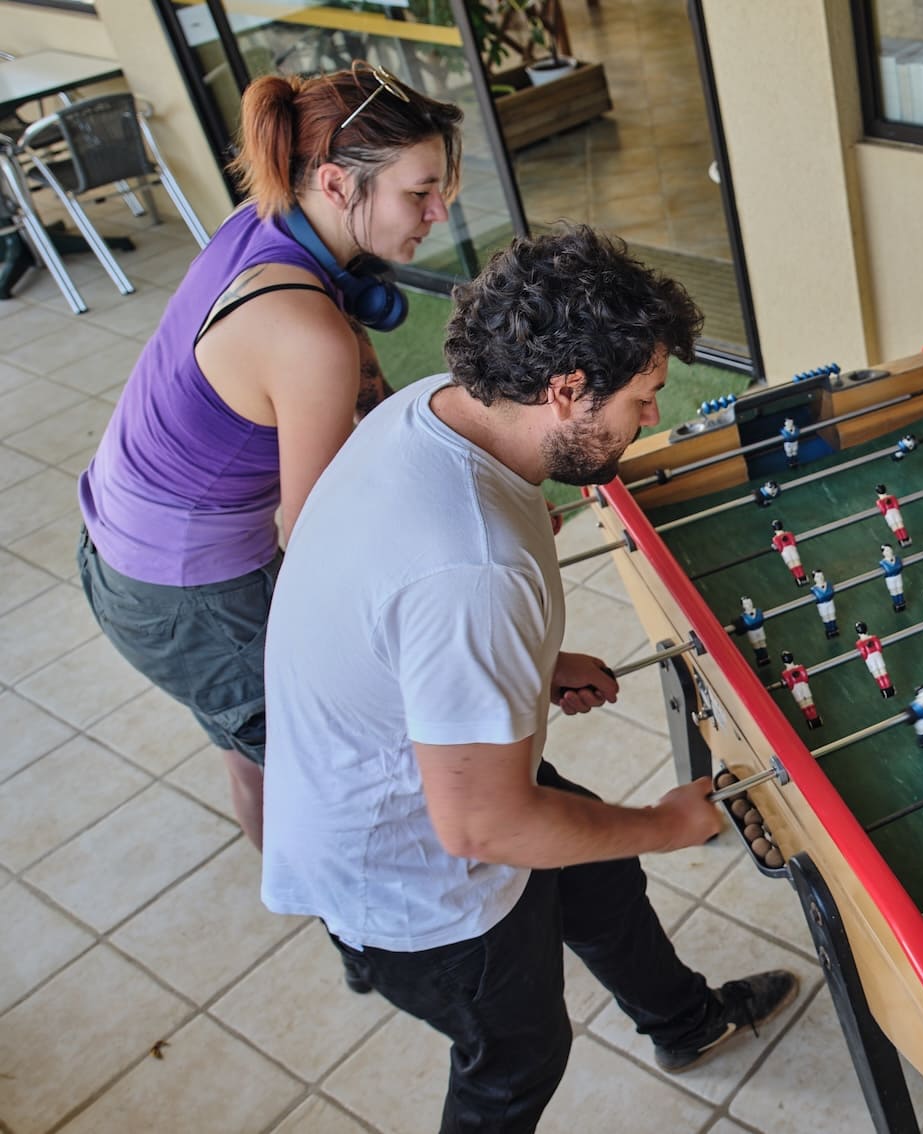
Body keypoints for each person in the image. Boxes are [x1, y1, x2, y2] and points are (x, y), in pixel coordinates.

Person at [259, 227, 797, 1128]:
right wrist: (667, 824)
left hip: (422, 759)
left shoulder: (436, 407)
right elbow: (482, 823)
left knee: (601, 881)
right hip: (410, 873)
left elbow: (404, 621)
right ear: (566, 390)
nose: (649, 423)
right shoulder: (475, 571)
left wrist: (532, 668)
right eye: (640, 400)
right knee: (517, 1060)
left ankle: (686, 1021)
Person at [74, 62, 462, 849]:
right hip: (192, 597)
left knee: (257, 753)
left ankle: (328, 908)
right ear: (334, 182)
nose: (440, 211)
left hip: (120, 557)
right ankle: (373, 939)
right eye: (418, 192)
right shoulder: (306, 330)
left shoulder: (263, 222)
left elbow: (365, 406)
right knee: (345, 776)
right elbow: (324, 534)